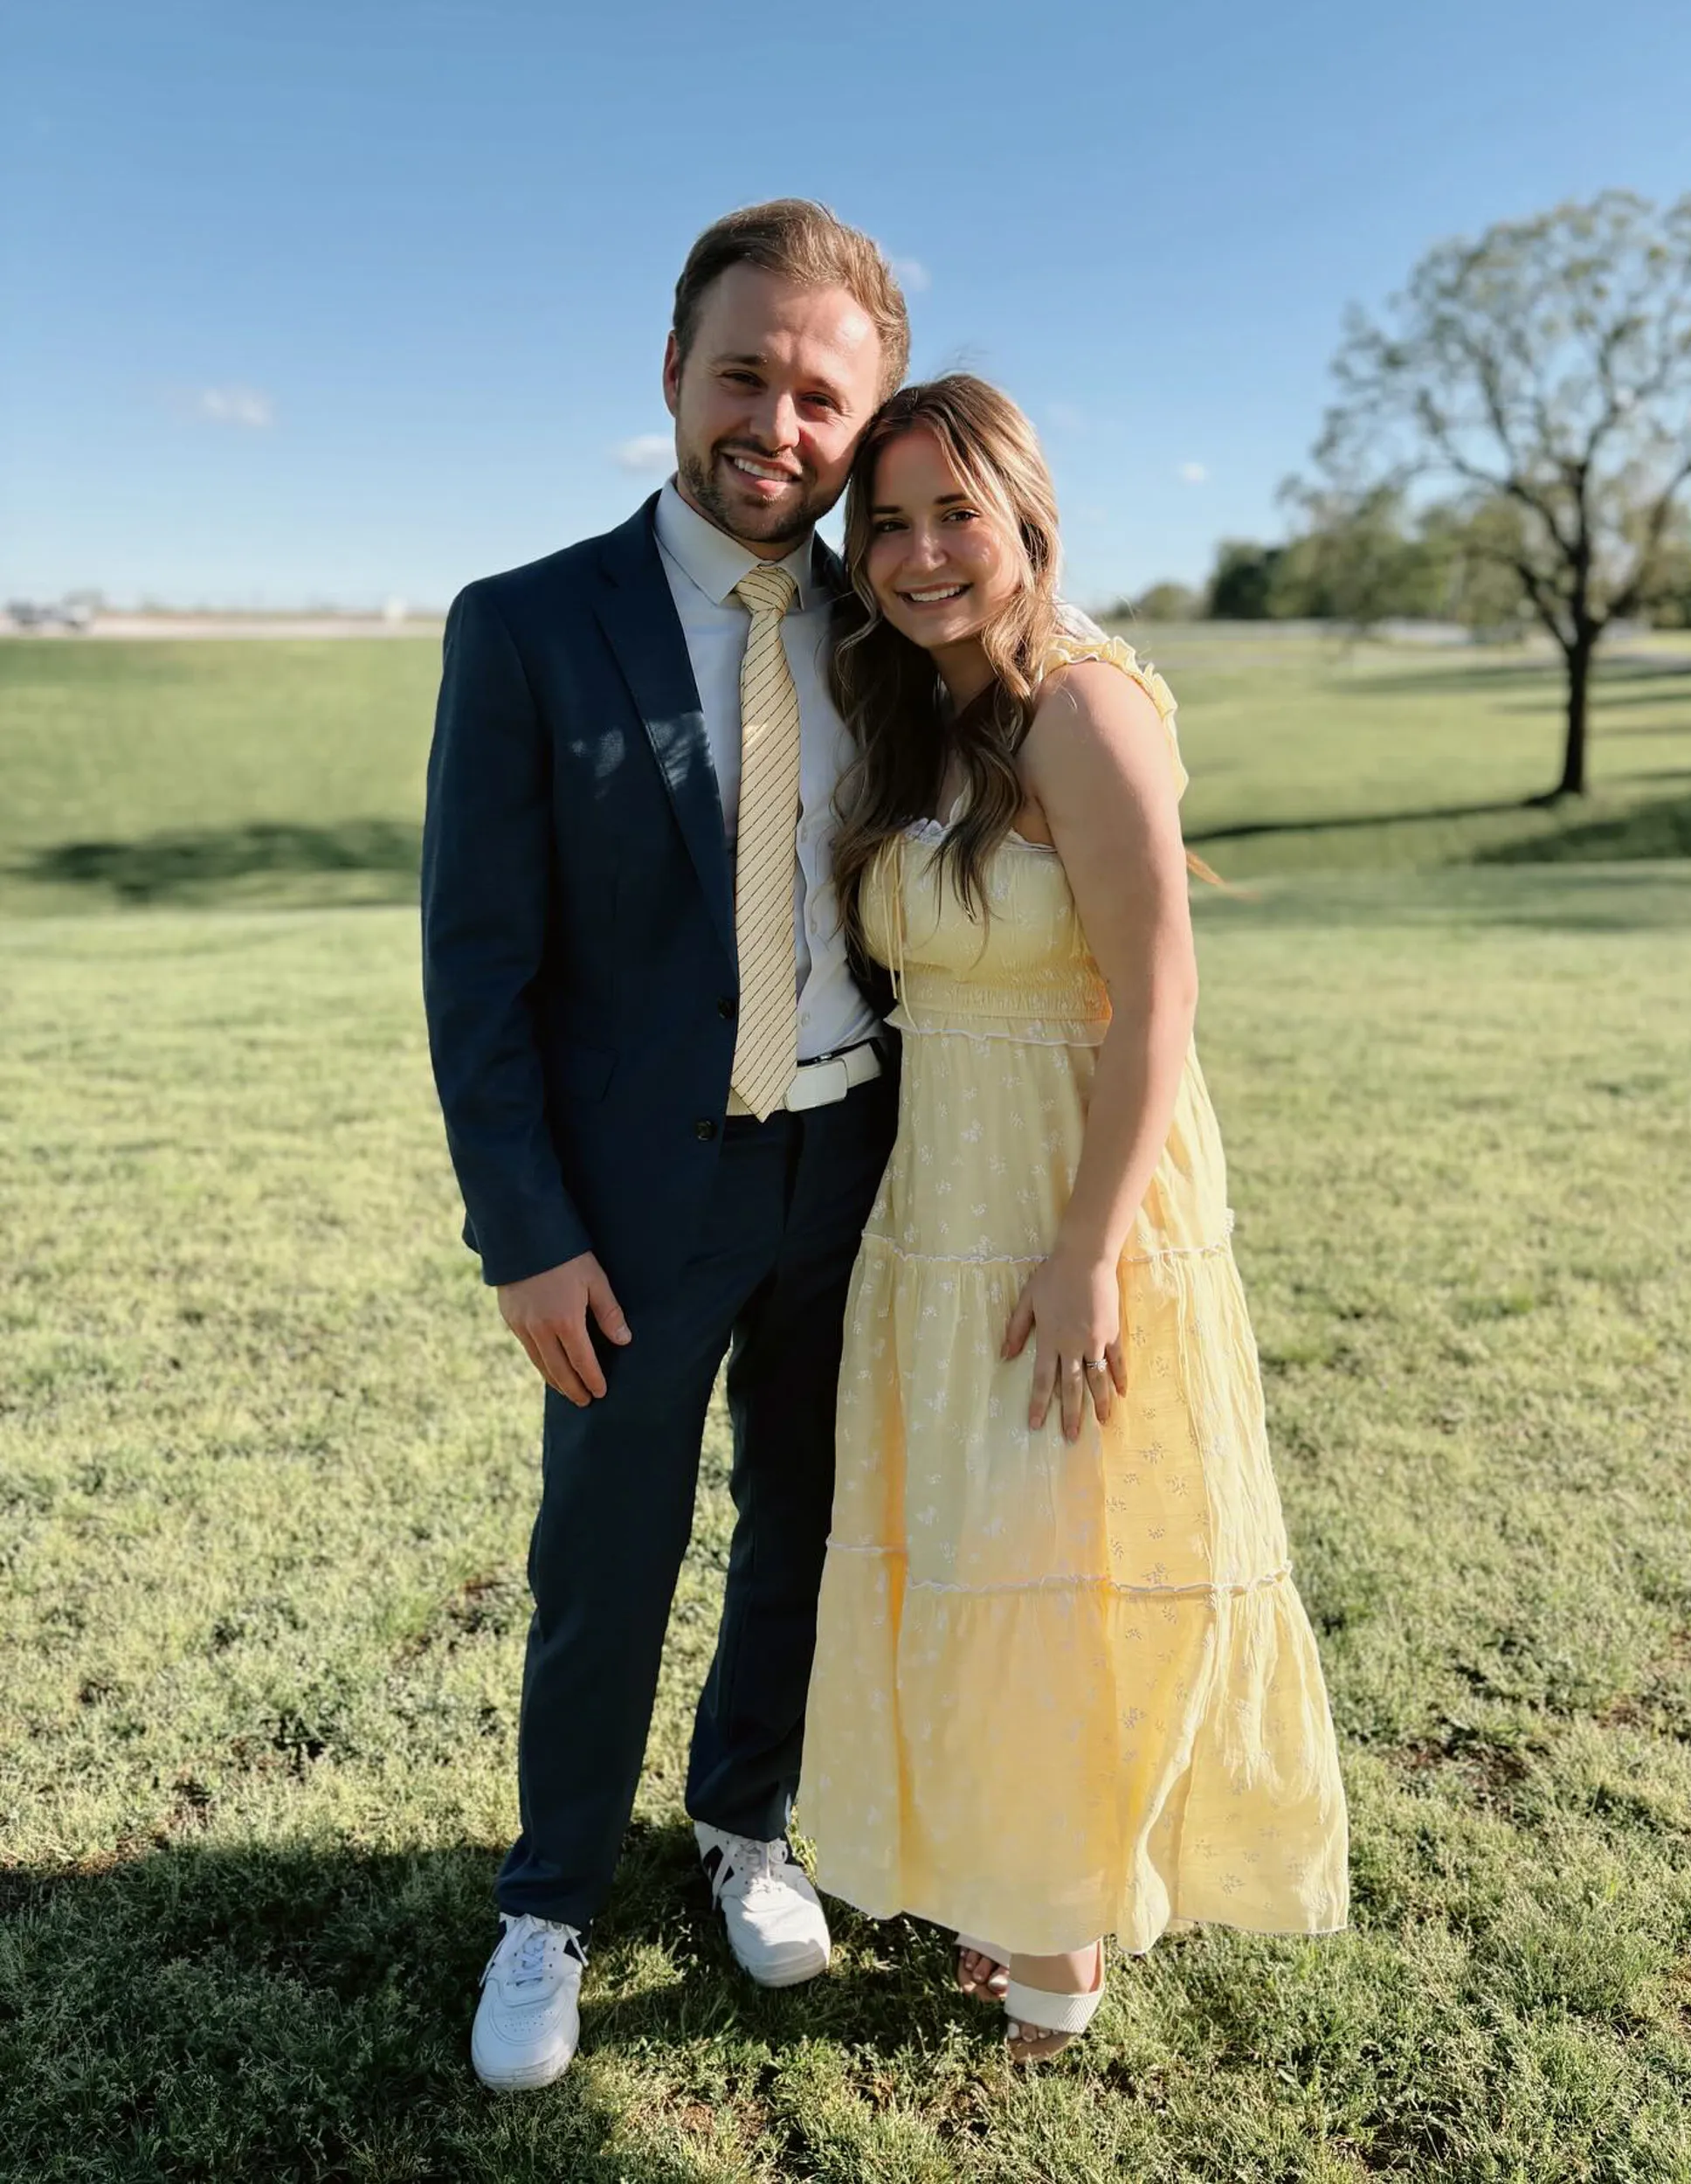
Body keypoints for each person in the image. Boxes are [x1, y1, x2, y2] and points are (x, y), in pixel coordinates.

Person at [798, 377, 1349, 2062]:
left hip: (1077, 1184)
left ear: (1028, 517)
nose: (915, 554)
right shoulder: (921, 721)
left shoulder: (1089, 711)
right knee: (983, 1547)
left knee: (1061, 1551)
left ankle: (1062, 1938)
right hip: (945, 1191)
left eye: (952, 513)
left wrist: (1090, 1250)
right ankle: (1013, 1872)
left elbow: (1161, 996)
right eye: (883, 523)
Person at [420, 201, 908, 2093]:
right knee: (604, 1552)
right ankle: (546, 1900)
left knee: (804, 1520)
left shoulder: (892, 630)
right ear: (672, 373)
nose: (774, 423)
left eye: (818, 395)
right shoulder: (527, 624)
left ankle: (744, 1822)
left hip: (851, 1167)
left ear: (861, 422)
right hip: (630, 1203)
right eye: (743, 375)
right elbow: (479, 966)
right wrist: (523, 1231)